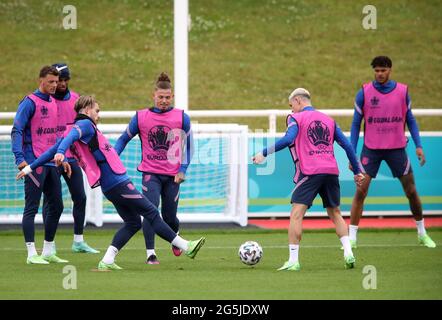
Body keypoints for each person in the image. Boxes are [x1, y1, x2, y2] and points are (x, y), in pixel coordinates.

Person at [16, 95, 205, 270]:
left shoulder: (72, 129)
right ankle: (185, 246)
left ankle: (107, 260)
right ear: (87, 109)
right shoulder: (85, 125)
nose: (98, 115)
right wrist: (60, 152)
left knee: (132, 222)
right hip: (117, 182)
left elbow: (50, 151)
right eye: (97, 111)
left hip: (109, 185)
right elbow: (62, 146)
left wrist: (29, 168)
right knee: (151, 212)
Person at [253, 88, 365, 271]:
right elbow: (346, 145)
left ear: (297, 101)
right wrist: (357, 171)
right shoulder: (328, 120)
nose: (291, 111)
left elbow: (288, 138)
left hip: (310, 171)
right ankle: (348, 253)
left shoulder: (296, 118)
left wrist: (264, 153)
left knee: (296, 214)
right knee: (335, 213)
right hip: (330, 170)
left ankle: (293, 260)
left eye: (291, 106)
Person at [348, 56, 436, 248]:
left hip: (397, 149)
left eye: (383, 70)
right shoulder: (364, 92)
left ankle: (422, 232)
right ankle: (352, 239)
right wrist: (351, 153)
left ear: (390, 70)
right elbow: (355, 125)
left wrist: (418, 145)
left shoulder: (402, 91)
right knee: (360, 191)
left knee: (411, 191)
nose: (380, 73)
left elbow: (410, 119)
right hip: (371, 150)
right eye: (377, 70)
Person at [114, 72, 193, 264]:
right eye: (160, 97)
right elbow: (123, 139)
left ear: (172, 96)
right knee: (150, 211)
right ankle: (150, 253)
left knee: (170, 216)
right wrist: (112, 157)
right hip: (150, 173)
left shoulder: (182, 117)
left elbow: (189, 146)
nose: (164, 101)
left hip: (173, 175)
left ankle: (176, 237)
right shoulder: (141, 117)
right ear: (153, 96)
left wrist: (183, 169)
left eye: (167, 97)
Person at [11, 65, 69, 264]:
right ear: (41, 81)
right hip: (34, 162)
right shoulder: (29, 102)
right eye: (51, 82)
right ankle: (30, 254)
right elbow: (17, 130)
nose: (55, 85)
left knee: (57, 206)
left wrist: (64, 158)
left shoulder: (53, 102)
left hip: (52, 162)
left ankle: (47, 250)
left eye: (56, 81)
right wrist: (20, 159)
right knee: (31, 208)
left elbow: (57, 135)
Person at [43, 62, 99, 254]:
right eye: (60, 80)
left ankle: (78, 241)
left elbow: (83, 126)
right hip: (51, 158)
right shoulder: (45, 102)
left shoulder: (75, 99)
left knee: (80, 197)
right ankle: (48, 243)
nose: (63, 83)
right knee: (51, 202)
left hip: (71, 158)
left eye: (66, 80)